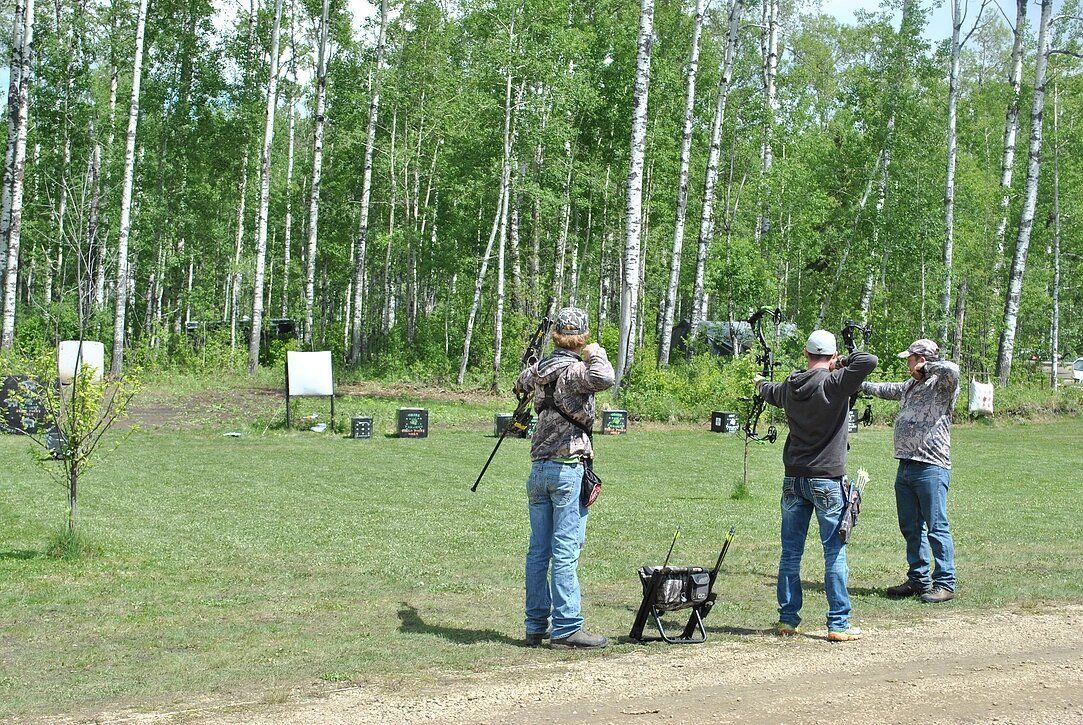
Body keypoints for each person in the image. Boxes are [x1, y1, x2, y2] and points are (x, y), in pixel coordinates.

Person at [756, 329, 877, 641]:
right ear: (832, 356)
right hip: (827, 479)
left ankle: (787, 619)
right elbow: (868, 360)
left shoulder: (791, 384)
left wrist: (758, 382)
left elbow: (769, 391)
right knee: (834, 552)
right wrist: (842, 363)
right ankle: (838, 624)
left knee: (790, 553)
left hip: (794, 478)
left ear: (806, 355)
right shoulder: (836, 382)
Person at [514, 307, 614, 649]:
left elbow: (520, 381)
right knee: (566, 549)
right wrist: (595, 352)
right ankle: (567, 627)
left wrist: (532, 358)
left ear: (557, 335)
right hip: (567, 468)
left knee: (538, 551)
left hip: (538, 469)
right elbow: (605, 377)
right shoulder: (576, 370)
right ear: (581, 337)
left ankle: (535, 624)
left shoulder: (540, 369)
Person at [862, 339, 960, 603]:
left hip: (931, 466)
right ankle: (918, 579)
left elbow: (952, 369)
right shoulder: (909, 386)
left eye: (910, 358)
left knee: (936, 527)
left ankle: (945, 583)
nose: (907, 362)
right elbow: (882, 388)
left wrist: (928, 369)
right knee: (910, 526)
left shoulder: (942, 385)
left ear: (922, 359)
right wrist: (853, 380)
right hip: (905, 464)